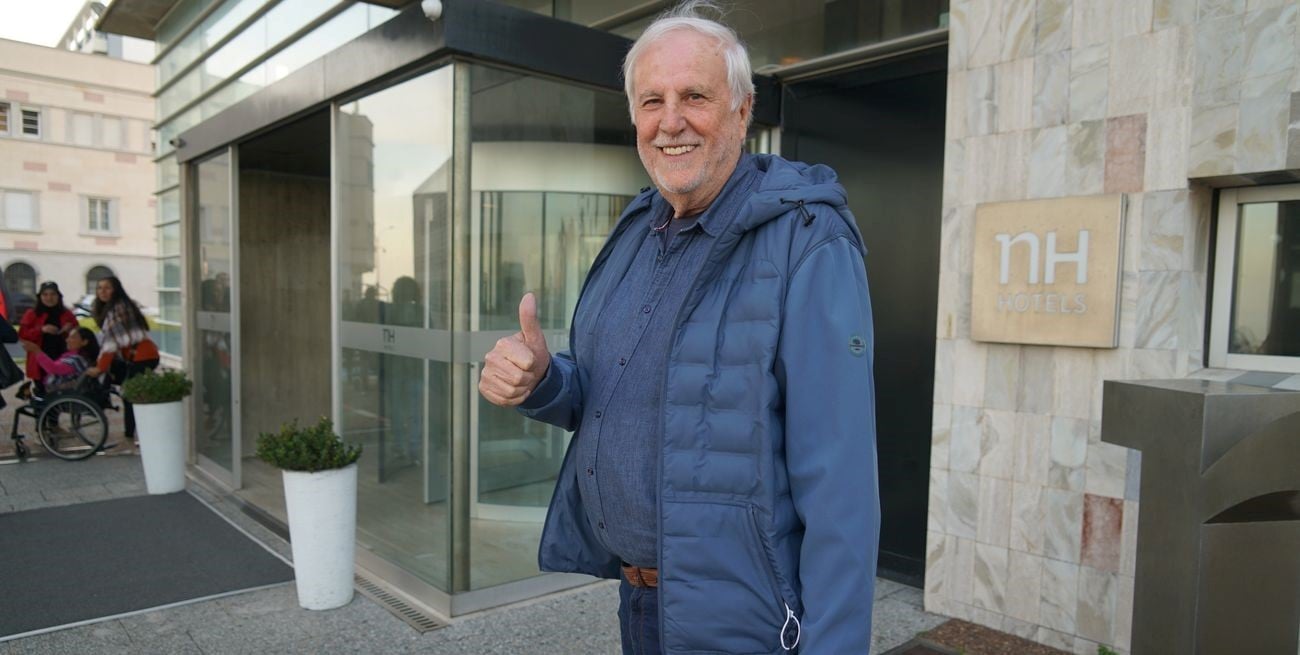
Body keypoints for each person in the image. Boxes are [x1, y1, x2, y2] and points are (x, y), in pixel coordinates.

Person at [478, 2, 880, 652]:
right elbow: (614, 397)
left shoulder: (806, 241)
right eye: (651, 101)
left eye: (694, 96)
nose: (670, 121)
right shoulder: (637, 230)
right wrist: (544, 381)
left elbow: (841, 489)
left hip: (743, 621)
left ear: (742, 111)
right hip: (639, 603)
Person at [86, 276, 159, 439]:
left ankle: (130, 435)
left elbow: (110, 344)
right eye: (99, 288)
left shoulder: (119, 309)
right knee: (127, 388)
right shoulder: (117, 307)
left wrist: (100, 368)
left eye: (107, 288)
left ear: (116, 290)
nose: (103, 291)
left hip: (142, 356)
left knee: (129, 394)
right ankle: (134, 429)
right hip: (137, 356)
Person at [17, 281, 78, 394]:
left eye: (53, 294)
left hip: (62, 356)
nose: (49, 298)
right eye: (45, 294)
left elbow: (78, 332)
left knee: (62, 391)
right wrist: (41, 330)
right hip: (39, 359)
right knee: (42, 390)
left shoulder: (66, 313)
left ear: (58, 296)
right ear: (40, 297)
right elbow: (22, 334)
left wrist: (70, 328)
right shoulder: (32, 313)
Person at [19, 327, 99, 394]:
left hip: (60, 393)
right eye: (68, 337)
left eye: (72, 337)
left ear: (84, 342)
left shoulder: (76, 360)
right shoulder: (78, 357)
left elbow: (53, 368)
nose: (67, 340)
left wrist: (37, 351)